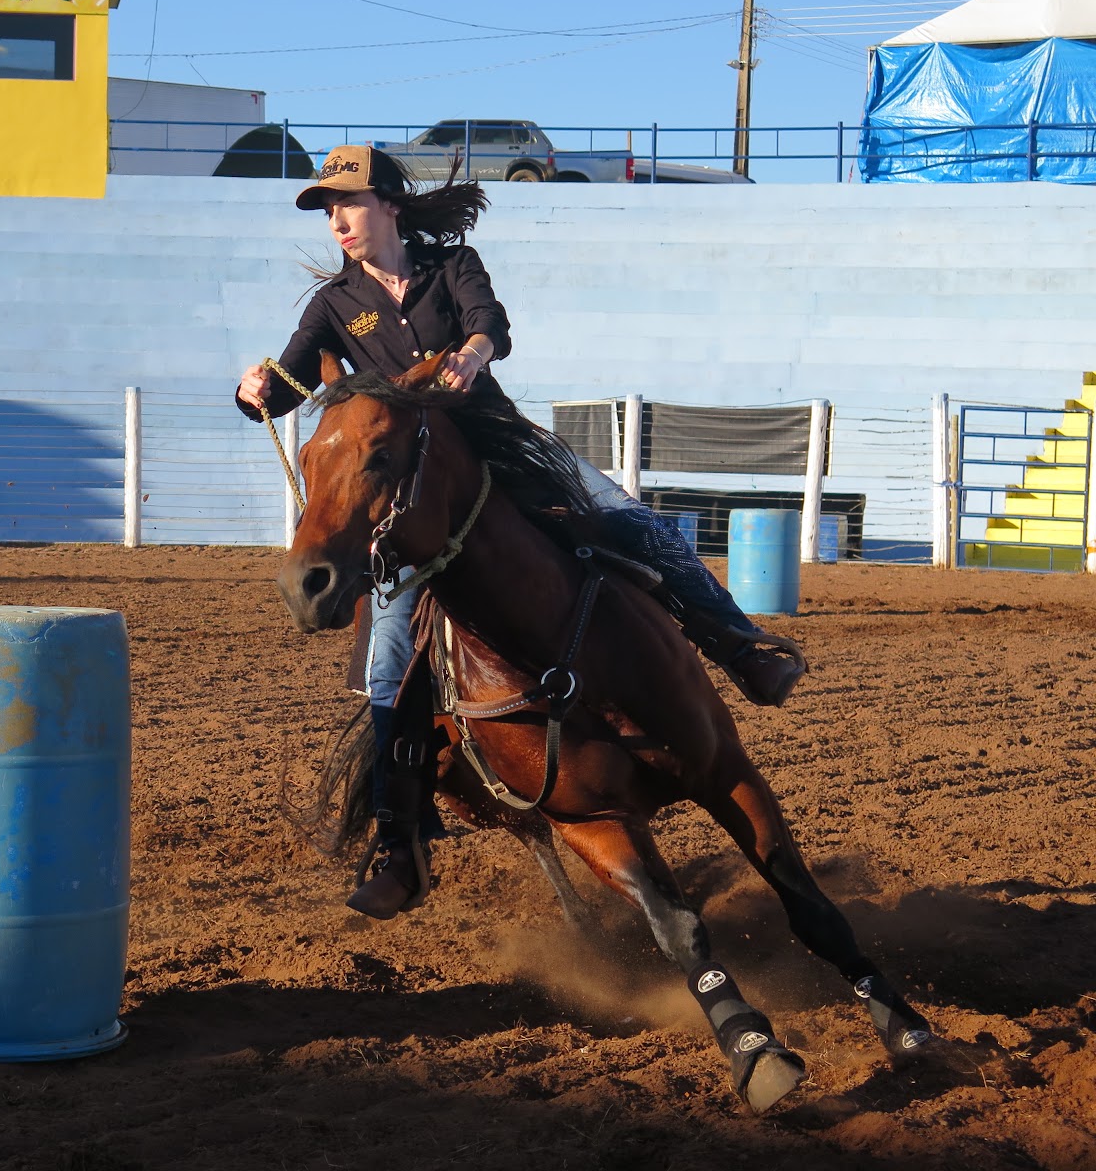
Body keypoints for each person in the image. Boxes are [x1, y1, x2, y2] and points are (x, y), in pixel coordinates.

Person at [236, 145, 805, 920]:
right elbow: (291, 382)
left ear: (391, 207)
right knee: (387, 663)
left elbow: (488, 324)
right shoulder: (334, 304)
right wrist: (255, 391)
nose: (338, 219)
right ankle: (401, 847)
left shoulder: (452, 265)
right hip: (414, 495)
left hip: (500, 449)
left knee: (636, 525)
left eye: (350, 203)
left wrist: (472, 353)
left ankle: (741, 649)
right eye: (328, 209)